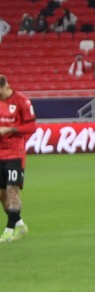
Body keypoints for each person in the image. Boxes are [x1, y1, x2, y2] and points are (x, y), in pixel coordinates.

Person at [0, 75, 37, 243]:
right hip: (0, 154)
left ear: (5, 86)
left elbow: (31, 126)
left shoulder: (22, 102)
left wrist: (10, 129)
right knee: (2, 194)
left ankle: (8, 230)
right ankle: (20, 224)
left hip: (15, 154)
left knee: (12, 191)